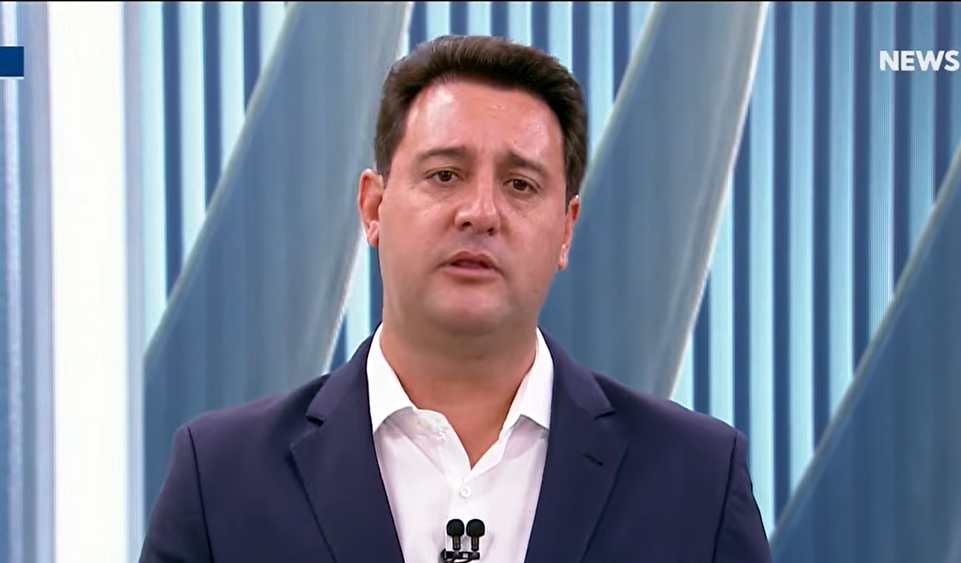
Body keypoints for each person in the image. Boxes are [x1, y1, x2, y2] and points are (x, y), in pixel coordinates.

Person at [140, 35, 771, 563]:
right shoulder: (222, 479)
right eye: (445, 175)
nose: (481, 212)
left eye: (520, 184)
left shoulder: (696, 479)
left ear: (566, 229)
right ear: (373, 207)